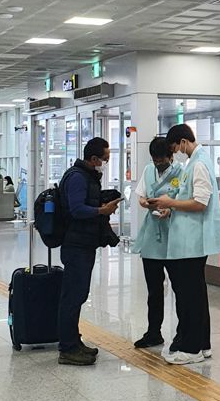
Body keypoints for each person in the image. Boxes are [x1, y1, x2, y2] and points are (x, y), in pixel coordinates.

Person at [149, 124, 220, 365]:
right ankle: (202, 344)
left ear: (183, 141)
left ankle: (191, 348)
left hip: (192, 242)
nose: (178, 153)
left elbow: (200, 203)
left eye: (177, 148)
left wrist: (170, 202)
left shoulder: (199, 164)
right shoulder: (194, 162)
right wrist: (169, 210)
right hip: (187, 240)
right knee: (195, 294)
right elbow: (187, 199)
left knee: (189, 296)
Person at [57, 137, 122, 366]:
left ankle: (74, 342)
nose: (105, 163)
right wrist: (101, 210)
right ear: (92, 158)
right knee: (73, 296)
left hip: (84, 243)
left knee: (78, 295)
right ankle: (67, 348)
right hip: (76, 245)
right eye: (104, 159)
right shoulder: (77, 177)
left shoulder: (86, 176)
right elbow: (76, 209)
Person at [131, 137, 183, 349]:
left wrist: (170, 208)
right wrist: (144, 202)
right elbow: (141, 195)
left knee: (180, 289)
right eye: (155, 160)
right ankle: (153, 332)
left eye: (162, 160)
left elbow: (185, 199)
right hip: (153, 235)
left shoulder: (181, 173)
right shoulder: (148, 170)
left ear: (171, 155)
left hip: (174, 235)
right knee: (154, 290)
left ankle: (183, 333)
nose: (158, 164)